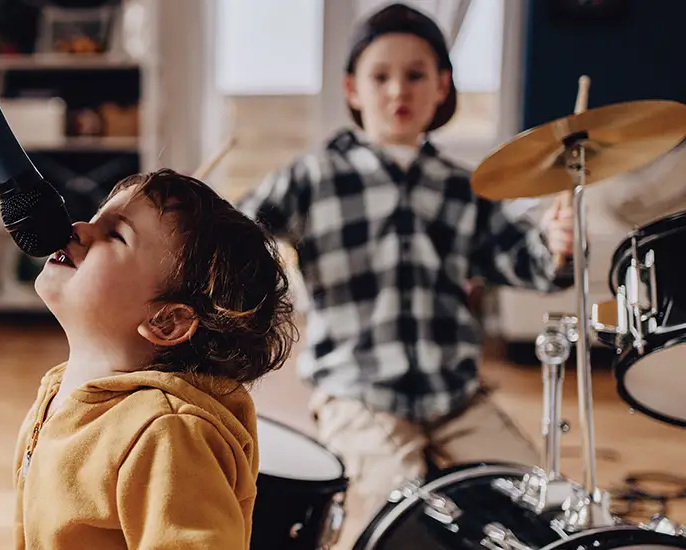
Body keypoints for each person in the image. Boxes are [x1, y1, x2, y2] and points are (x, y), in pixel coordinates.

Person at [235, 4, 576, 548]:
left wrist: (556, 249)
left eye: (416, 75)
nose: (399, 90)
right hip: (358, 391)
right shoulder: (314, 175)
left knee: (539, 507)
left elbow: (527, 261)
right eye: (381, 76)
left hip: (454, 392)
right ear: (352, 88)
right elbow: (241, 232)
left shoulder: (465, 186)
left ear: (442, 87)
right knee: (393, 519)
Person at [13, 168, 298, 549]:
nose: (79, 228)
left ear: (168, 321)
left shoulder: (168, 434)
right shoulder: (57, 393)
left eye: (115, 235)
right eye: (97, 217)